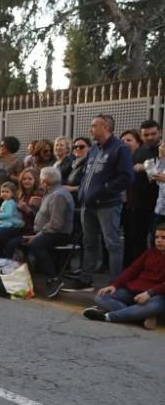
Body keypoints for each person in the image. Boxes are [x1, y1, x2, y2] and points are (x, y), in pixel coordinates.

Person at [65, 114, 135, 290]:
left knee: (112, 243)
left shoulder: (120, 149)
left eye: (94, 126)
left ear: (105, 127)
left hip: (108, 205)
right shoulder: (94, 149)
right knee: (89, 242)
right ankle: (85, 278)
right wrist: (82, 192)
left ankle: (115, 283)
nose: (90, 129)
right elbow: (87, 175)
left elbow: (127, 177)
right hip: (88, 205)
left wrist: (103, 189)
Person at [83, 223, 165, 329]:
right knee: (101, 296)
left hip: (156, 296)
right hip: (133, 290)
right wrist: (115, 285)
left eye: (163, 238)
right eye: (157, 237)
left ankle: (107, 316)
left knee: (153, 307)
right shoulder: (150, 252)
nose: (158, 240)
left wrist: (150, 293)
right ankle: (139, 318)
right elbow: (132, 270)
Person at [23, 167, 75, 297]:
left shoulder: (59, 196)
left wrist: (37, 236)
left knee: (36, 244)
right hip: (47, 231)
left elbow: (55, 224)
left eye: (40, 180)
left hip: (60, 234)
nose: (40, 183)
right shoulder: (50, 192)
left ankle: (53, 278)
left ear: (46, 181)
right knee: (21, 240)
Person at [124, 119, 162, 266]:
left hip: (157, 207)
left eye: (153, 134)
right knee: (135, 241)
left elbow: (157, 176)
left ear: (160, 132)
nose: (150, 137)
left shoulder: (163, 151)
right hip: (135, 205)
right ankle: (138, 271)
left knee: (156, 242)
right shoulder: (139, 151)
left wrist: (145, 168)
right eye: (146, 135)